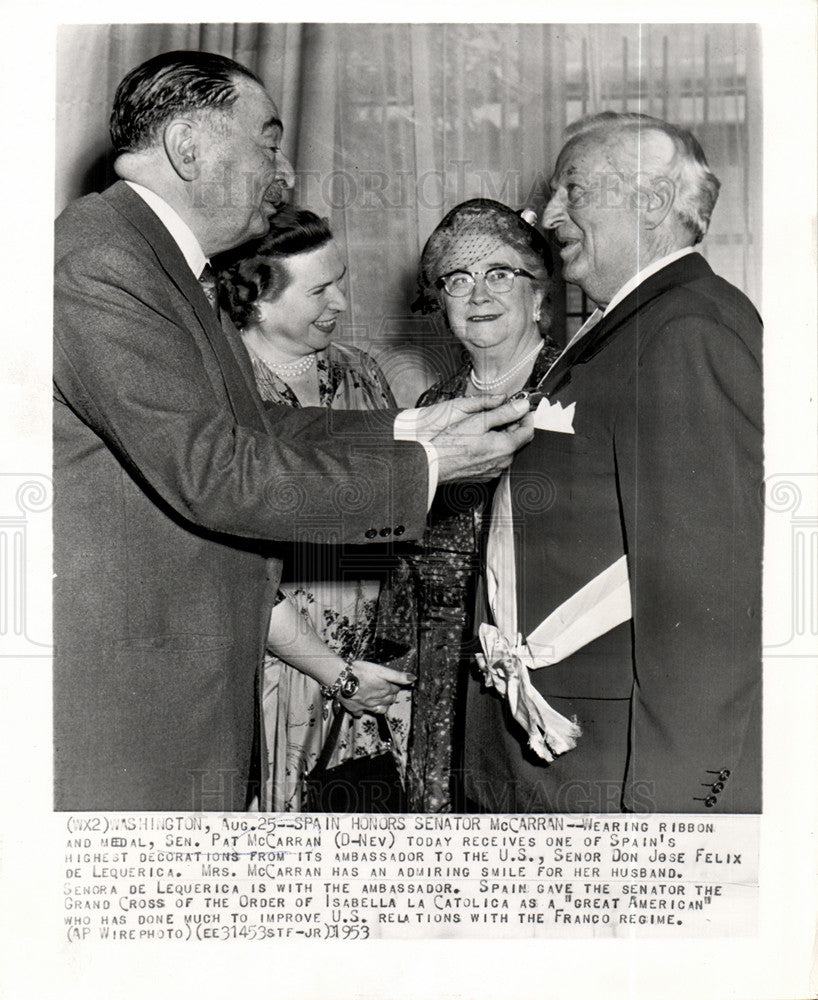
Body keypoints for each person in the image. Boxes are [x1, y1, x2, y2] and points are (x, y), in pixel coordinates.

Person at [53, 49, 533, 811]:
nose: (279, 174)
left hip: (190, 694)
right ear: (189, 146)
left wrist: (410, 428)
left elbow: (256, 425)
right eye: (267, 142)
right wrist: (427, 466)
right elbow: (216, 471)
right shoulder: (101, 263)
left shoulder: (157, 263)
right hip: (137, 712)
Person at [464, 111, 763, 814]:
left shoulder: (687, 330)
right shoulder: (628, 323)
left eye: (574, 190)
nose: (546, 212)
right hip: (564, 756)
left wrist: (679, 815)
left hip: (619, 774)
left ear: (652, 203)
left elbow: (709, 603)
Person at [216, 207, 414, 810]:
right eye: (321, 289)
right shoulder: (222, 394)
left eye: (342, 279)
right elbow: (235, 568)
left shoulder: (362, 373)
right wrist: (338, 674)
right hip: (278, 684)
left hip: (377, 690)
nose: (344, 302)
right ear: (256, 300)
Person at [404, 199, 559, 811]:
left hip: (541, 670)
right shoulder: (432, 402)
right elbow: (403, 555)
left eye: (499, 274)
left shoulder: (570, 391)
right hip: (440, 673)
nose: (478, 294)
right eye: (458, 280)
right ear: (442, 304)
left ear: (538, 295)